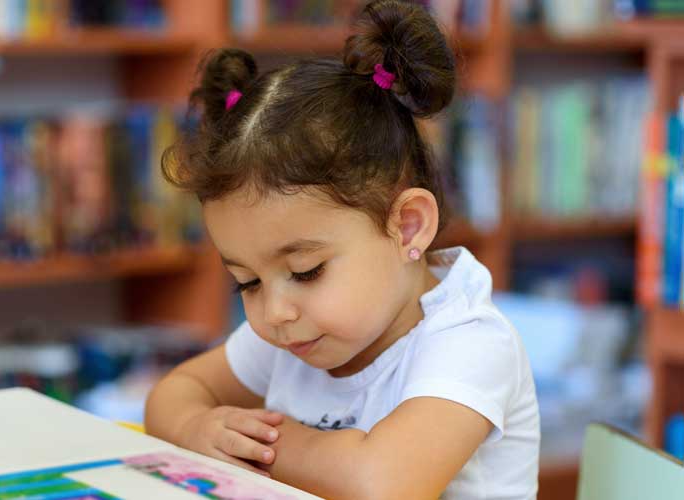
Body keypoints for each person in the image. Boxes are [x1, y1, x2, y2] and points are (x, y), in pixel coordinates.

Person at [145, 1, 540, 498]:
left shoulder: (468, 343)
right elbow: (172, 395)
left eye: (306, 271)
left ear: (408, 228)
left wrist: (258, 444)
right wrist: (194, 429)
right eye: (246, 282)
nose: (274, 312)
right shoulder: (295, 334)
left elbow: (383, 482)